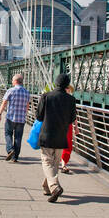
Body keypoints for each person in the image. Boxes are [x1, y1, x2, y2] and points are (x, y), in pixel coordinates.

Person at [35, 73, 77, 203]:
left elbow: (39, 116)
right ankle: (46, 187)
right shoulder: (71, 100)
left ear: (56, 83)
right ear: (67, 84)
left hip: (47, 135)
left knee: (47, 162)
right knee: (54, 164)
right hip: (61, 136)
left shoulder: (46, 96)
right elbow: (72, 119)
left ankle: (54, 186)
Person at [0, 72, 32, 162]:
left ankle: (10, 150)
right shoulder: (27, 92)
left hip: (11, 117)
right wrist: (24, 114)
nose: (11, 81)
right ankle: (15, 157)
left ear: (15, 81)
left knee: (8, 134)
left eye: (12, 80)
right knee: (18, 137)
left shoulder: (10, 90)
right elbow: (27, 106)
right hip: (21, 119)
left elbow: (4, 103)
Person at [61, 86, 75, 173]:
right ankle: (63, 164)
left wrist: (76, 127)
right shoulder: (58, 98)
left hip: (68, 125)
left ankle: (63, 164)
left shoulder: (71, 100)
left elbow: (74, 114)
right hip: (59, 124)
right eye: (66, 88)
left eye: (69, 89)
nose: (68, 90)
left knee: (68, 145)